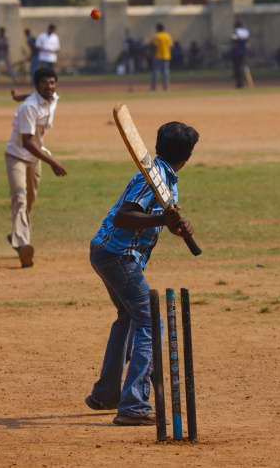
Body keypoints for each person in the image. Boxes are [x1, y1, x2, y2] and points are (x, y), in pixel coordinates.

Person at [86, 121, 199, 425]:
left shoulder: (164, 177)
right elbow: (124, 217)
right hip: (118, 256)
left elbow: (155, 217)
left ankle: (106, 394)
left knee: (129, 318)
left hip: (110, 253)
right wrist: (163, 217)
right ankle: (134, 404)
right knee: (152, 323)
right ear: (187, 156)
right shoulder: (152, 177)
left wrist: (176, 225)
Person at [4, 67, 67, 268]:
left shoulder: (52, 97)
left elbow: (28, 96)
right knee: (20, 197)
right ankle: (23, 246)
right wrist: (53, 162)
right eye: (45, 83)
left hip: (34, 159)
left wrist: (16, 96)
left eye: (52, 82)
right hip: (17, 156)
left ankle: (16, 233)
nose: (50, 87)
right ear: (37, 86)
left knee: (30, 200)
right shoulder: (29, 108)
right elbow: (28, 142)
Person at [151, 23, 173, 91]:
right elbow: (170, 46)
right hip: (166, 56)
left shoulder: (157, 36)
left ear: (158, 28)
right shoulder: (168, 36)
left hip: (158, 56)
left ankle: (154, 87)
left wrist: (153, 55)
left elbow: (155, 47)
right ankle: (166, 87)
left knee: (156, 71)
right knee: (166, 72)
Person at [231, 21, 249, 88]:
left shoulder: (236, 31)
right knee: (241, 67)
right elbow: (246, 44)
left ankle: (239, 83)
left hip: (236, 52)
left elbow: (234, 42)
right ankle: (243, 81)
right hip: (243, 52)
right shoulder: (246, 32)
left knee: (237, 68)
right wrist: (245, 53)